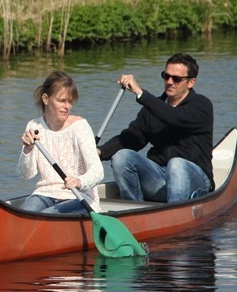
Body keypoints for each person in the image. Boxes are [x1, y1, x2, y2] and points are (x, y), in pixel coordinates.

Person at [98, 52, 214, 203]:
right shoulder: (152, 110)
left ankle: (174, 214)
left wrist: (140, 94)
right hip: (159, 179)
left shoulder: (201, 106)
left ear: (191, 82)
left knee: (176, 163)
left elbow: (174, 117)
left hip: (196, 182)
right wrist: (99, 152)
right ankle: (132, 210)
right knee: (121, 157)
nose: (170, 82)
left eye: (176, 79)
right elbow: (130, 139)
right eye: (166, 76)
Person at [16, 70, 104, 214]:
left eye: (70, 101)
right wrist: (28, 150)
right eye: (62, 100)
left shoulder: (80, 126)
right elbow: (25, 174)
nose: (67, 106)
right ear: (46, 99)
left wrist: (78, 181)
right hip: (44, 193)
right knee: (26, 212)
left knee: (46, 216)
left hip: (79, 197)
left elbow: (98, 172)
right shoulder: (34, 126)